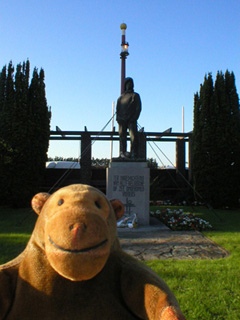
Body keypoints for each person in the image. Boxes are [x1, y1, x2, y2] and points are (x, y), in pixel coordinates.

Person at [116, 77, 142, 159]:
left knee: (133, 137)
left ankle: (134, 153)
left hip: (131, 120)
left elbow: (138, 108)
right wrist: (118, 118)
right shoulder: (120, 98)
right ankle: (122, 152)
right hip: (122, 120)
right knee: (122, 137)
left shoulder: (135, 95)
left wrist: (134, 118)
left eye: (130, 83)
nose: (129, 85)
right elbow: (118, 109)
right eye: (127, 83)